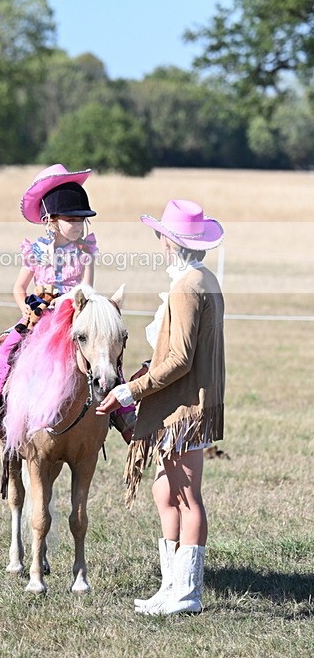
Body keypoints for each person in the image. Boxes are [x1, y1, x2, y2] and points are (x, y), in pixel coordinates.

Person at [96, 199, 225, 615]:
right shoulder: (201, 279)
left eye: (162, 238)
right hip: (181, 402)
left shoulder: (186, 286)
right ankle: (171, 586)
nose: (159, 243)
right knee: (164, 490)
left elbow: (181, 358)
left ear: (171, 243)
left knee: (187, 496)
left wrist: (130, 391)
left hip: (183, 407)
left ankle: (187, 594)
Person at [0, 164, 100, 442]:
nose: (77, 225)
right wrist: (25, 305)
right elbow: (19, 287)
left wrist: (72, 305)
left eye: (81, 219)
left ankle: (123, 416)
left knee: (106, 356)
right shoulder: (36, 251)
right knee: (5, 350)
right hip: (39, 313)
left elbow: (87, 289)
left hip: (74, 314)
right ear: (51, 219)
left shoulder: (85, 251)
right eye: (71, 219)